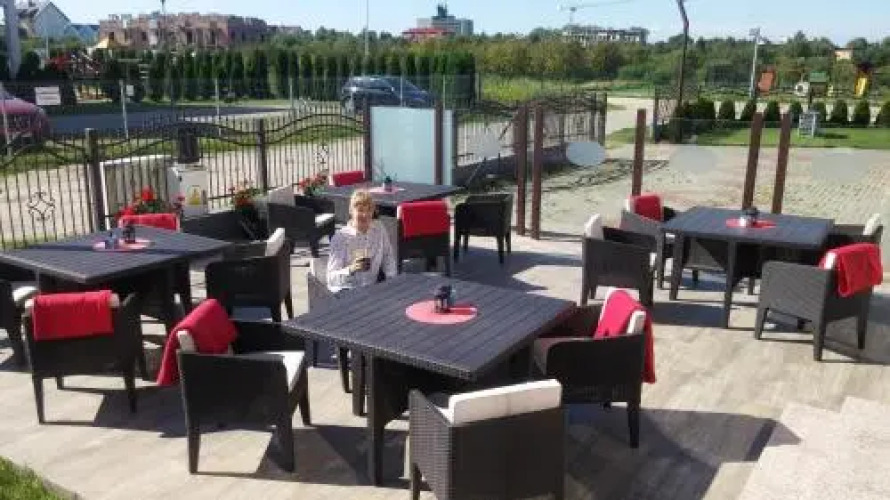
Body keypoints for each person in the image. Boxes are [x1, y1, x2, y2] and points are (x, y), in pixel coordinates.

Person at [326, 189, 397, 293]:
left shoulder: (379, 228)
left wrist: (392, 281)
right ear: (351, 211)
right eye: (360, 210)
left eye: (369, 210)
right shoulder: (341, 237)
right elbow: (331, 279)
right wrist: (351, 269)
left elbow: (388, 256)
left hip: (371, 289)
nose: (365, 214)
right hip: (347, 291)